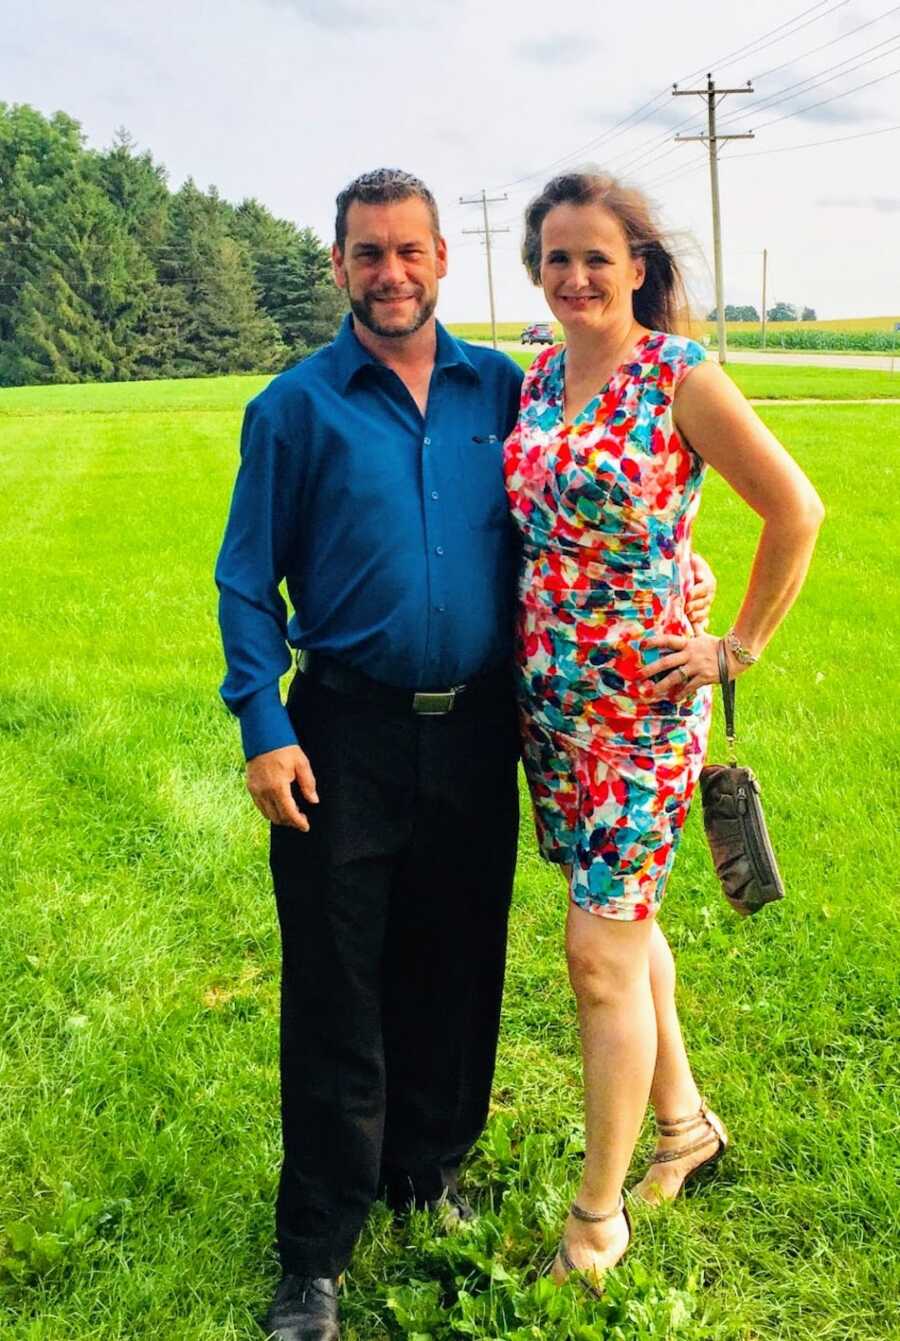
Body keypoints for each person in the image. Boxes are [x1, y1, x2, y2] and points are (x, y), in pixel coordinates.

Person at [215, 167, 716, 1340]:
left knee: (455, 967)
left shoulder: (514, 388)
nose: (390, 274)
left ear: (445, 259)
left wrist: (683, 585)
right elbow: (246, 581)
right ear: (338, 267)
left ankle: (427, 1172)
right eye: (367, 254)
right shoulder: (294, 407)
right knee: (339, 984)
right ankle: (318, 1251)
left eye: (410, 251)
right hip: (344, 729)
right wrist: (264, 723)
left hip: (489, 723)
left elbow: (608, 506)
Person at [503, 170, 824, 1294]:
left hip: (643, 715)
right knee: (626, 936)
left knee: (596, 956)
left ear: (638, 265)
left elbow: (795, 509)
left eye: (597, 256)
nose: (575, 277)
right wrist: (676, 566)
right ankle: (684, 1126)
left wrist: (732, 644)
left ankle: (597, 1224)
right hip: (552, 709)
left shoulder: (679, 376)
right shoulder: (539, 377)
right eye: (556, 258)